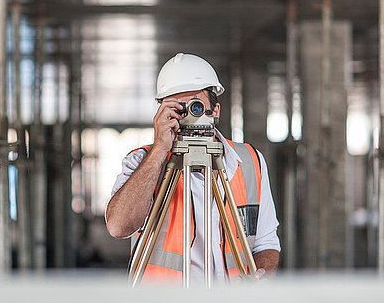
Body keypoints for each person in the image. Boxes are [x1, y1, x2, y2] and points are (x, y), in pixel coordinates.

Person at [105, 53, 280, 284]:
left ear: (215, 111)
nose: (188, 114)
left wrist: (259, 279)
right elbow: (118, 227)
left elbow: (266, 243)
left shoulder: (250, 161)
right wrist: (160, 149)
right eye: (178, 107)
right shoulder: (142, 161)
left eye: (195, 105)